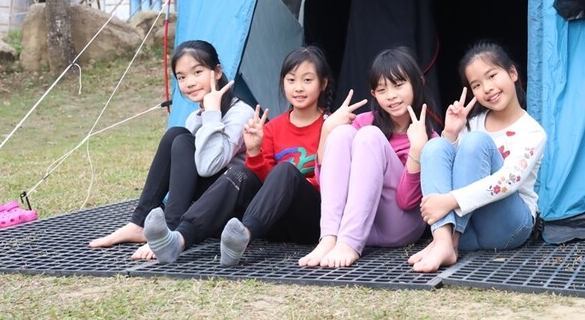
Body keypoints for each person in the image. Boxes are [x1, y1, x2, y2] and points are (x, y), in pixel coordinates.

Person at [141, 45, 333, 265]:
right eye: (291, 80)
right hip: (271, 223)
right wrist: (253, 151)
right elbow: (261, 182)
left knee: (286, 171)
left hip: (311, 222)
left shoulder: (333, 125)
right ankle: (178, 239)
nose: (298, 88)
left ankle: (243, 235)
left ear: (323, 83)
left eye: (307, 80)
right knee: (241, 173)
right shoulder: (271, 128)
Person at [89, 40, 253, 259]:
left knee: (182, 140)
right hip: (201, 204)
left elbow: (208, 167)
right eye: (182, 77)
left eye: (197, 72)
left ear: (217, 71)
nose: (190, 82)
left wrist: (212, 113)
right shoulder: (194, 119)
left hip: (229, 206)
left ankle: (171, 229)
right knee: (175, 136)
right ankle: (138, 222)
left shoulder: (241, 113)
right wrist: (207, 114)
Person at [409, 41, 546, 273]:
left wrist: (450, 201)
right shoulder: (471, 124)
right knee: (436, 146)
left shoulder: (532, 132)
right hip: (468, 233)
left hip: (509, 227)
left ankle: (448, 243)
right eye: (477, 85)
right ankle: (443, 242)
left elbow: (508, 181)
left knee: (477, 143)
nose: (488, 88)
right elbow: (451, 170)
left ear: (512, 72)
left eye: (492, 76)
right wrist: (452, 133)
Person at [299, 47, 439, 268]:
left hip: (398, 226)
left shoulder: (428, 136)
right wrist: (326, 132)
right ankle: (328, 238)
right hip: (355, 224)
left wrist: (417, 150)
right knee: (342, 132)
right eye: (382, 89)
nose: (391, 95)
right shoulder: (363, 121)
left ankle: (350, 244)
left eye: (399, 85)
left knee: (369, 136)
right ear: (374, 94)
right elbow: (326, 182)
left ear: (418, 82)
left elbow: (407, 201)